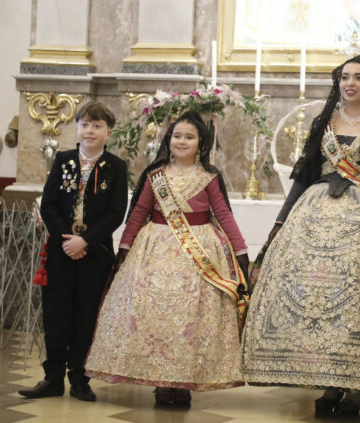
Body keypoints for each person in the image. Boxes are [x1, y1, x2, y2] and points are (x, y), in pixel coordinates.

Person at [241, 54, 360, 417]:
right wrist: (281, 222)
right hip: (314, 215)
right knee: (323, 303)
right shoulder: (323, 121)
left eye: (358, 77)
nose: (350, 83)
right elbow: (302, 177)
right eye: (345, 77)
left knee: (358, 301)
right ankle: (332, 383)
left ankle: (357, 389)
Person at [84, 110, 250, 406]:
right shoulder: (155, 175)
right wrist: (124, 248)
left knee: (189, 318)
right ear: (168, 140)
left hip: (199, 253)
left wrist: (241, 251)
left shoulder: (209, 177)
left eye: (189, 137)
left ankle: (183, 381)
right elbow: (138, 213)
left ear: (201, 143)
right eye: (177, 136)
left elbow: (223, 213)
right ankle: (160, 381)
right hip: (155, 248)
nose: (182, 141)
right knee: (152, 314)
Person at [19, 101, 128, 402]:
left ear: (109, 131)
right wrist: (66, 240)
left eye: (97, 126)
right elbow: (50, 203)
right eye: (84, 124)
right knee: (57, 313)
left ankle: (80, 378)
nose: (89, 131)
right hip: (60, 251)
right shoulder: (64, 159)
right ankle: (52, 377)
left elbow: (116, 213)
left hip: (94, 252)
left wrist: (86, 241)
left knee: (85, 314)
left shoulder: (116, 167)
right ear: (77, 128)